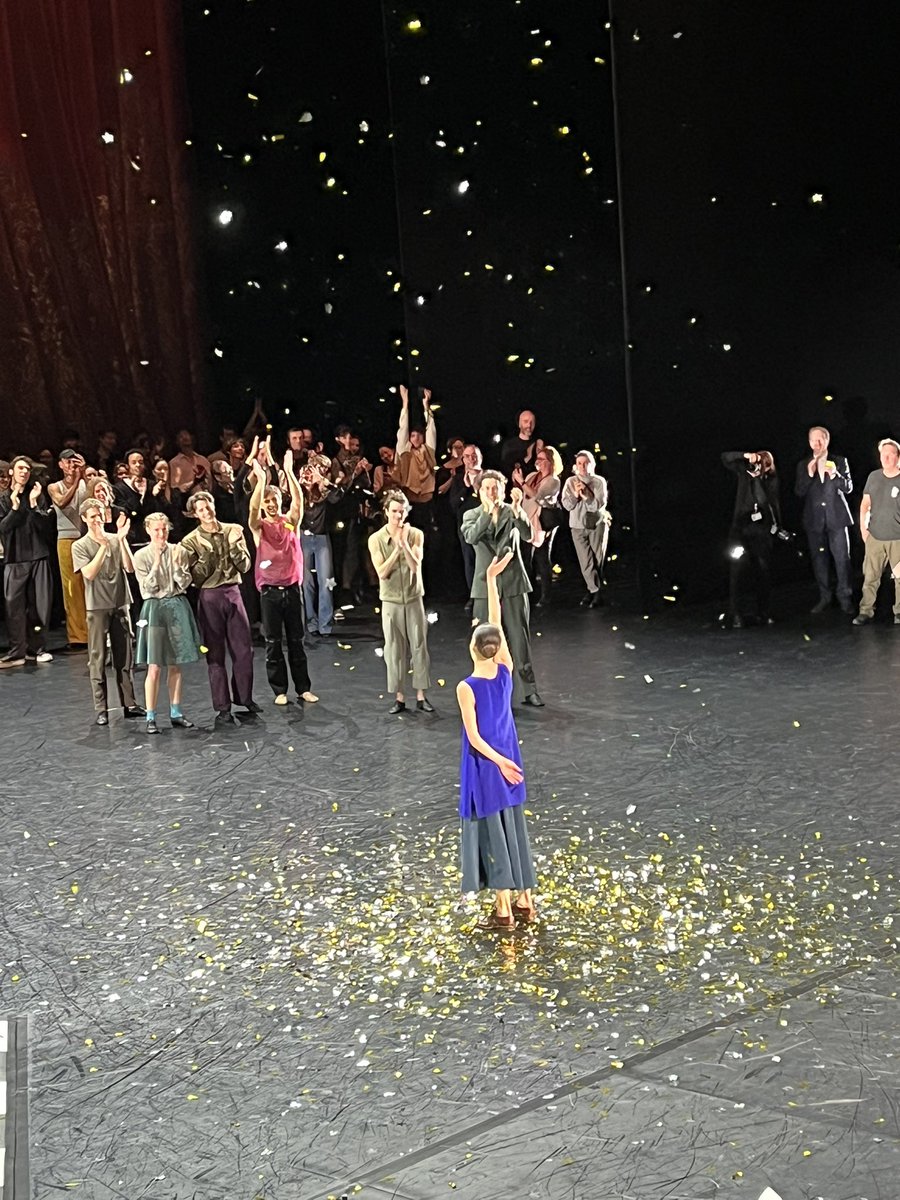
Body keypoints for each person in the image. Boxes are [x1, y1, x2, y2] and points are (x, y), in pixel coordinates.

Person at [457, 552, 537, 930]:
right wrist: (491, 581)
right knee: (514, 828)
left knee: (494, 832)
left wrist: (499, 762)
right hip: (510, 759)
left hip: (489, 766)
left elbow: (473, 736)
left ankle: (504, 909)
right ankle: (526, 900)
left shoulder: (466, 687)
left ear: (473, 648)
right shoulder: (505, 671)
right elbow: (497, 624)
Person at [462, 470, 543, 706]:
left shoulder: (511, 511)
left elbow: (529, 535)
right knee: (484, 640)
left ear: (503, 489)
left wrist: (518, 508)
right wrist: (488, 513)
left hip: (513, 582)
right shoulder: (472, 515)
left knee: (519, 638)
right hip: (485, 587)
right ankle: (487, 692)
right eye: (487, 488)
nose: (492, 492)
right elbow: (471, 537)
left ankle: (529, 689)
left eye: (495, 487)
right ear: (479, 492)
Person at [181, 490, 258, 724]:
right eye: (201, 509)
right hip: (210, 596)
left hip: (233, 592)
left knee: (244, 649)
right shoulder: (190, 541)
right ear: (195, 514)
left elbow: (244, 566)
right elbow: (195, 578)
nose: (207, 512)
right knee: (215, 653)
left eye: (209, 506)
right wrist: (205, 557)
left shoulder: (233, 529)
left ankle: (244, 697)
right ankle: (222, 705)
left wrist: (234, 546)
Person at [248, 455, 318, 706]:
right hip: (269, 591)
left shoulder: (290, 523)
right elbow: (252, 511)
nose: (270, 504)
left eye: (274, 499)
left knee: (297, 641)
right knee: (273, 643)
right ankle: (279, 690)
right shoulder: (259, 527)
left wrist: (288, 472)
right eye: (267, 501)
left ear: (280, 501)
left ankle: (303, 688)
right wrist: (262, 480)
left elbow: (298, 502)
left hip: (291, 589)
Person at [71, 498, 144, 725]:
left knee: (124, 657)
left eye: (100, 514)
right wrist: (103, 546)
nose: (97, 519)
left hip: (120, 602)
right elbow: (89, 574)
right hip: (98, 606)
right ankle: (101, 707)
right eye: (92, 516)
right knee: (98, 658)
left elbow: (130, 567)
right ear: (84, 518)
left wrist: (120, 540)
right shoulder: (80, 545)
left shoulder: (114, 539)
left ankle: (129, 703)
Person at [132, 513, 202, 734]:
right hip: (154, 609)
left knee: (176, 663)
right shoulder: (141, 555)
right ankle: (151, 715)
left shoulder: (178, 551)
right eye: (156, 530)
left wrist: (177, 567)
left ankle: (176, 712)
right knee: (154, 665)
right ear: (148, 530)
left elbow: (185, 582)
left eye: (164, 529)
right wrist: (157, 562)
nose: (161, 534)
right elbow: (147, 588)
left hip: (176, 605)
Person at [367, 489, 433, 713]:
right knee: (394, 650)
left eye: (402, 511)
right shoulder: (376, 539)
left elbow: (416, 566)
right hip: (391, 600)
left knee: (419, 647)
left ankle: (422, 696)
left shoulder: (416, 534)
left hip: (414, 598)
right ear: (386, 512)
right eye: (394, 511)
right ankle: (400, 697)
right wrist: (396, 549)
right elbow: (382, 572)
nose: (398, 516)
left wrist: (405, 544)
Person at [0, 457, 54, 668]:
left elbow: (46, 527)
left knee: (40, 605)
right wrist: (14, 508)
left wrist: (32, 504)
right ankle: (17, 652)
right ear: (12, 472)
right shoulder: (4, 498)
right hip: (15, 558)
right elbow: (3, 528)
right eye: (20, 468)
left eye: (28, 469)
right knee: (13, 604)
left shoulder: (36, 495)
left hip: (38, 556)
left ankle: (37, 649)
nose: (25, 472)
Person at [794, 426, 854, 614]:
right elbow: (799, 492)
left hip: (837, 519)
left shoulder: (840, 461)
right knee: (819, 560)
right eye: (813, 440)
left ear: (827, 440)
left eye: (820, 439)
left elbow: (848, 488)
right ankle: (825, 597)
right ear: (809, 442)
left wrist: (836, 474)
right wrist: (809, 473)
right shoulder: (803, 464)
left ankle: (845, 598)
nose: (817, 444)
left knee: (842, 559)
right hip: (814, 520)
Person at [722, 450, 782, 628]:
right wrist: (746, 456)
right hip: (741, 528)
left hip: (760, 529)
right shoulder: (743, 473)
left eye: (764, 463)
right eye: (759, 462)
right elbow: (725, 458)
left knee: (762, 571)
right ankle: (736, 614)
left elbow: (767, 502)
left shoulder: (770, 480)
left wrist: (777, 527)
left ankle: (763, 612)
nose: (759, 466)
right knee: (737, 571)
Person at [852, 438, 900, 625]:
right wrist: (864, 531)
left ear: (897, 457)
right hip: (876, 536)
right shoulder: (874, 477)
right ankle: (865, 611)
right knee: (870, 577)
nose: (886, 458)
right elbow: (865, 505)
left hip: (897, 538)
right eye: (883, 454)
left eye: (890, 454)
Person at [48, 449, 89, 648]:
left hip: (85, 538)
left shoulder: (83, 483)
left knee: (88, 585)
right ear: (61, 464)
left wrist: (87, 471)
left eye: (75, 462)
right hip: (66, 539)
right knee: (71, 588)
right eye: (68, 462)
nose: (72, 466)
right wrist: (76, 480)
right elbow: (63, 503)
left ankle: (93, 631)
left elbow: (98, 493)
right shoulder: (54, 487)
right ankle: (77, 635)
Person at [561, 450, 611, 607]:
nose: (582, 466)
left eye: (586, 463)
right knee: (585, 561)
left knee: (597, 560)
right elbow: (567, 505)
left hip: (596, 525)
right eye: (579, 463)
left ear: (593, 464)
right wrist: (576, 495)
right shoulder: (570, 481)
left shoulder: (599, 481)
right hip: (577, 526)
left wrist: (586, 495)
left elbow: (597, 505)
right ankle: (596, 592)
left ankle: (593, 592)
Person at [515, 444, 563, 607]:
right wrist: (520, 482)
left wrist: (522, 482)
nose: (539, 462)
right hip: (527, 519)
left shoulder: (553, 481)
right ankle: (529, 594)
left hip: (543, 522)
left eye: (543, 459)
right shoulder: (532, 476)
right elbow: (523, 494)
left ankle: (546, 595)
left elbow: (536, 496)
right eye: (538, 459)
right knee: (525, 557)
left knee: (542, 557)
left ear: (551, 462)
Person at [446, 444, 483, 608]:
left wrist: (476, 488)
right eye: (467, 456)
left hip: (485, 525)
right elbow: (453, 504)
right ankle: (473, 596)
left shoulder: (488, 476)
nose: (471, 459)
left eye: (474, 455)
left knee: (486, 561)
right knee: (470, 561)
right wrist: (466, 489)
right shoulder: (458, 479)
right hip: (466, 527)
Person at [395, 385, 437, 527]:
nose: (416, 438)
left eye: (419, 434)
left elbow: (431, 429)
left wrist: (426, 406)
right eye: (413, 435)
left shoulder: (428, 450)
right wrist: (405, 403)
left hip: (427, 497)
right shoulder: (404, 451)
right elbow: (403, 429)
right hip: (409, 496)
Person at [499, 410, 542, 480]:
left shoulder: (538, 444)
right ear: (519, 424)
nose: (529, 425)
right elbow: (505, 469)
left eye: (532, 422)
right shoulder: (509, 445)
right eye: (526, 421)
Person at [169, 429, 212, 494]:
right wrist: (192, 484)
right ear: (177, 442)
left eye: (186, 434)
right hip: (186, 499)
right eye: (181, 436)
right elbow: (174, 488)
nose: (185, 437)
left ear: (192, 438)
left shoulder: (203, 460)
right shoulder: (173, 463)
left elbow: (210, 483)